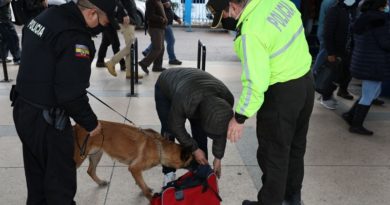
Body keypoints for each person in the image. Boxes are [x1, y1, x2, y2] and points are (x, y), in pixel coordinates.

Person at [207, 0, 315, 204]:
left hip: (281, 94)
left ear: (234, 5)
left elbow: (256, 83)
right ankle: (293, 199)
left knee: (273, 155)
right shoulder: (278, 1)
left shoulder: (251, 32)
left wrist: (239, 118)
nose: (227, 21)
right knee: (295, 147)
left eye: (225, 15)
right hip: (305, 83)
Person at [10, 0, 117, 203]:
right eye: (103, 22)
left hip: (24, 108)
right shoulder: (76, 38)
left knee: (37, 180)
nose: (103, 27)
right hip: (47, 121)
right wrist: (91, 123)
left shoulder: (49, 15)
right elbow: (71, 94)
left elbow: (31, 44)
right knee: (60, 184)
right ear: (92, 13)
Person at [154, 68, 234, 186]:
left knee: (200, 133)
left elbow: (221, 128)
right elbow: (176, 126)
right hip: (166, 85)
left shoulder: (227, 99)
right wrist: (195, 150)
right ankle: (168, 174)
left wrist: (218, 158)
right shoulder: (185, 101)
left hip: (196, 88)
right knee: (168, 132)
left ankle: (201, 171)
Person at [342, 0, 390, 135]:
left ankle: (350, 115)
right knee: (369, 95)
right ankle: (356, 125)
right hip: (374, 63)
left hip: (363, 60)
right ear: (380, 5)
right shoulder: (379, 20)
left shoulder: (363, 17)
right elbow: (385, 43)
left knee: (370, 93)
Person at [318, 0, 357, 110]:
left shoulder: (351, 11)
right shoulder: (334, 10)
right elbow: (328, 33)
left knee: (342, 75)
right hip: (336, 50)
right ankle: (325, 97)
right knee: (332, 75)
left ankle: (329, 94)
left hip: (348, 49)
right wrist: (331, 52)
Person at [105, 0, 144, 79]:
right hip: (127, 22)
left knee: (130, 47)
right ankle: (112, 62)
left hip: (130, 21)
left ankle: (129, 72)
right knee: (130, 47)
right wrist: (125, 14)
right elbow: (117, 2)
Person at [142, 0, 183, 65]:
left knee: (159, 44)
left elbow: (169, 10)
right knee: (165, 43)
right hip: (160, 25)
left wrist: (176, 18)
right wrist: (162, 19)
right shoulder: (152, 2)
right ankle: (145, 62)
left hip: (163, 24)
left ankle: (153, 60)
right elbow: (151, 14)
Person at [138, 0, 167, 74]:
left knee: (161, 48)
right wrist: (162, 19)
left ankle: (157, 66)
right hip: (155, 28)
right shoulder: (151, 1)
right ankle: (144, 63)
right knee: (157, 48)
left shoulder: (158, 1)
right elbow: (150, 16)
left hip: (160, 27)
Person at [0, 0, 21, 64]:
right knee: (13, 38)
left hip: (4, 17)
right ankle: (17, 58)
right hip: (3, 18)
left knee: (4, 38)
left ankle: (2, 57)